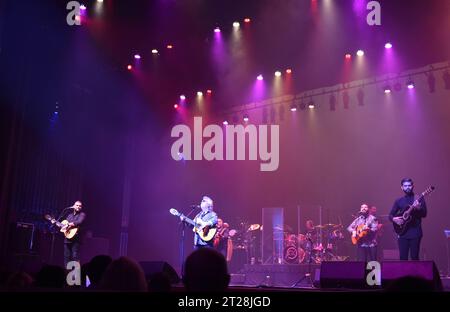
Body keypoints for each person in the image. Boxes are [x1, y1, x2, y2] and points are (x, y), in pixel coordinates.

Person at [389, 178, 427, 260]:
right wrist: (394, 219)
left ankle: (416, 273)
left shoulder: (419, 198)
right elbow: (390, 215)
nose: (407, 187)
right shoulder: (399, 200)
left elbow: (424, 214)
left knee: (414, 257)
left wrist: (418, 208)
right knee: (403, 258)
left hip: (415, 233)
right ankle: (404, 273)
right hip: (402, 233)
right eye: (405, 186)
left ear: (413, 186)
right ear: (402, 187)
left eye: (409, 185)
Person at [63, 201, 86, 267]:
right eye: (77, 205)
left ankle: (76, 275)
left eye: (80, 206)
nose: (78, 207)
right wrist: (57, 223)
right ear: (73, 206)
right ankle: (66, 273)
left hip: (76, 239)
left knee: (75, 256)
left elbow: (79, 222)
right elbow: (64, 224)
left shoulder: (82, 214)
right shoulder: (69, 215)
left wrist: (69, 224)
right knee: (66, 257)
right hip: (67, 239)